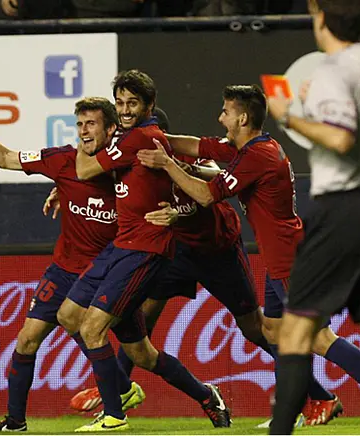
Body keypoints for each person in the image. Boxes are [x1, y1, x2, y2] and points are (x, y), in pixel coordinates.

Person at [138, 83, 360, 426]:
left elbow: (207, 196)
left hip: (290, 260)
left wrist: (167, 165)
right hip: (280, 256)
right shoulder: (253, 148)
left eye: (225, 111)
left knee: (321, 339)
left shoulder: (257, 156)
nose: (220, 118)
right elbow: (197, 145)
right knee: (273, 330)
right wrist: (158, 137)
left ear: (243, 117)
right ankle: (311, 403)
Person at [70, 106, 278, 423]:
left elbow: (218, 184)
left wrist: (179, 177)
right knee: (140, 322)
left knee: (253, 328)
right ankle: (120, 391)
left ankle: (310, 389)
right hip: (177, 251)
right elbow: (107, 183)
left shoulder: (186, 161)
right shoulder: (137, 163)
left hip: (218, 251)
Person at [60, 70, 231, 432]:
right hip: (122, 244)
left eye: (131, 103)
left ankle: (114, 414)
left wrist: (84, 139)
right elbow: (115, 178)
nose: (124, 109)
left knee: (92, 329)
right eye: (120, 102)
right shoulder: (129, 138)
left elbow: (87, 168)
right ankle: (205, 395)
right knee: (78, 319)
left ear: (149, 105)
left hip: (145, 250)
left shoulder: (142, 136)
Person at [0, 97, 135, 432]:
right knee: (27, 339)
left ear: (111, 129)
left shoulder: (125, 168)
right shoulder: (61, 160)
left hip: (108, 270)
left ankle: (119, 405)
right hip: (64, 269)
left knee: (137, 349)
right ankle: (15, 422)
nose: (84, 131)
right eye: (80, 124)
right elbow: (5, 158)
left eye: (92, 124)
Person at [265, 0, 360, 433]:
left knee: (294, 333)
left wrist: (288, 114)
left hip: (342, 209)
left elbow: (340, 137)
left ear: (322, 18)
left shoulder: (333, 70)